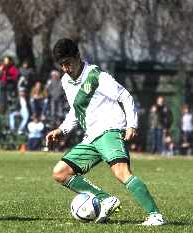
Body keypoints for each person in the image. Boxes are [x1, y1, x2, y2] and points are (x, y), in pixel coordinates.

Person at [46, 38, 164, 226]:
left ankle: (155, 215)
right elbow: (76, 109)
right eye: (62, 65)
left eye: (68, 62)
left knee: (121, 172)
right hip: (91, 136)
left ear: (78, 56)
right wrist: (62, 129)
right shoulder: (66, 81)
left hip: (109, 130)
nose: (66, 68)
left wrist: (132, 124)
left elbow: (125, 96)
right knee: (60, 172)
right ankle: (105, 199)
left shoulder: (97, 76)